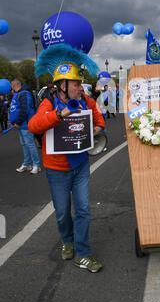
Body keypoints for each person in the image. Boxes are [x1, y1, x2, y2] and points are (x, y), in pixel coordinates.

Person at [28, 43, 105, 273]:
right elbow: (33, 125)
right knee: (62, 213)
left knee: (83, 210)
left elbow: (99, 121)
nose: (80, 87)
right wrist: (58, 115)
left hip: (80, 165)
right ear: (62, 86)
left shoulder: (86, 101)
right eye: (75, 84)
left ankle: (83, 253)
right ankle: (67, 241)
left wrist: (94, 131)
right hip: (57, 169)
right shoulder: (48, 103)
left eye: (80, 83)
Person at [9, 79, 41, 174]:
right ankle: (27, 164)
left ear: (15, 85)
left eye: (12, 86)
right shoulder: (19, 94)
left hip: (26, 124)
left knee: (30, 144)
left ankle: (37, 165)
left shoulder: (24, 94)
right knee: (24, 144)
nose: (11, 89)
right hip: (21, 124)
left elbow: (25, 109)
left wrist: (17, 122)